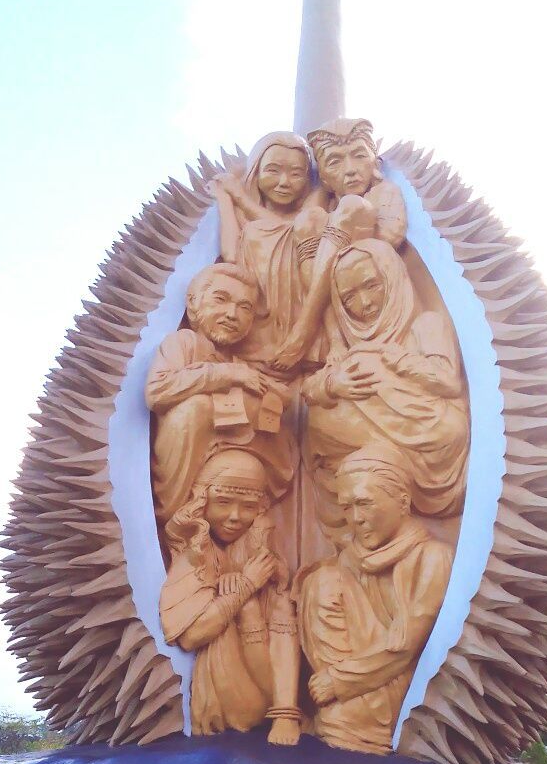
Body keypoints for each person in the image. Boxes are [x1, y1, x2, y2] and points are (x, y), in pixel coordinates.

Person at [301, 238, 469, 540]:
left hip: (433, 433)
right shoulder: (347, 346)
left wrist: (400, 361)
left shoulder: (427, 325)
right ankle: (373, 481)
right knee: (319, 419)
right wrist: (334, 384)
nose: (364, 303)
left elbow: (448, 382)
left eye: (371, 286)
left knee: (451, 427)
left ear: (392, 278)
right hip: (371, 440)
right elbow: (310, 390)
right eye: (349, 296)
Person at [296, 444, 452, 755]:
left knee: (343, 723)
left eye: (365, 504)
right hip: (340, 685)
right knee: (318, 581)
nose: (356, 519)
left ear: (402, 502)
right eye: (347, 507)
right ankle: (347, 711)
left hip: (387, 681)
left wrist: (338, 682)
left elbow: (405, 648)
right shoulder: (347, 559)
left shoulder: (432, 557)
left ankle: (359, 714)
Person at [159, 450, 301, 746]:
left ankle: (285, 711)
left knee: (280, 602)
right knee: (249, 604)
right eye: (223, 502)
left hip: (267, 684)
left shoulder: (254, 552)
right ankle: (283, 709)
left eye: (248, 507)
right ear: (202, 500)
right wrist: (246, 587)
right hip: (229, 692)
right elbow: (191, 635)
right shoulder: (195, 555)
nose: (236, 517)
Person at [145, 262, 296, 522]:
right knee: (194, 410)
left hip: (237, 464)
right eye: (221, 300)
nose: (232, 314)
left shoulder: (241, 364)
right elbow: (158, 390)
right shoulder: (184, 342)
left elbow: (279, 401)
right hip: (187, 454)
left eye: (244, 307)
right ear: (194, 302)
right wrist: (225, 376)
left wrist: (267, 393)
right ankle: (175, 513)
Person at [273, 118, 408, 370]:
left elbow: (388, 242)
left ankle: (305, 325)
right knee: (310, 218)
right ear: (323, 177)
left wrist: (342, 234)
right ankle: (334, 339)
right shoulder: (325, 207)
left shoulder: (384, 193)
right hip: (339, 299)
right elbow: (305, 224)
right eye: (335, 162)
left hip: (373, 290)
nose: (350, 170)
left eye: (358, 156)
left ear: (375, 163)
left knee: (353, 206)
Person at [212, 131, 323, 372]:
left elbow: (291, 231)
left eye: (296, 174)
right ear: (256, 171)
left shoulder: (313, 212)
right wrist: (224, 200)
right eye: (273, 170)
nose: (284, 182)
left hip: (305, 323)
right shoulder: (248, 223)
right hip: (258, 325)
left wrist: (240, 198)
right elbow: (231, 255)